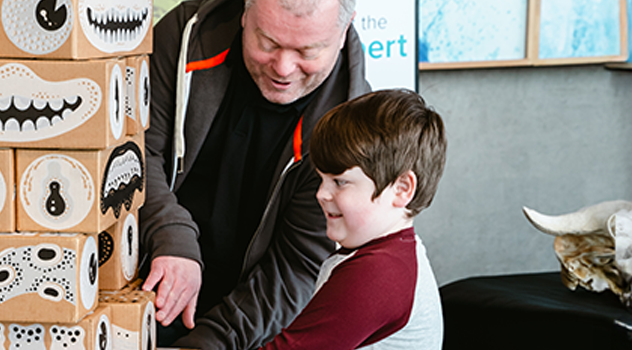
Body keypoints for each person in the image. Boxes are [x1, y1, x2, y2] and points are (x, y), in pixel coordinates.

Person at [141, 0, 370, 346]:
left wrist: (209, 343)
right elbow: (133, 152)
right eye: (268, 43)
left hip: (251, 325)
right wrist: (170, 235)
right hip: (145, 281)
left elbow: (296, 268)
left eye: (308, 52)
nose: (283, 68)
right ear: (246, 12)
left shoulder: (352, 130)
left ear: (344, 31)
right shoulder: (186, 35)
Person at [259, 89, 445, 349]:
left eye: (340, 182)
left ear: (402, 188)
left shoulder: (377, 274)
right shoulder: (391, 256)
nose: (321, 194)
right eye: (321, 180)